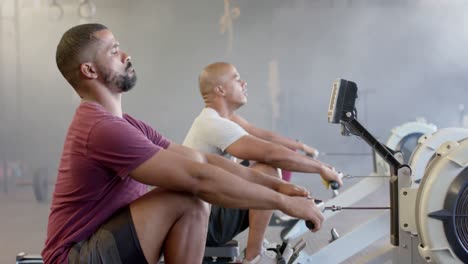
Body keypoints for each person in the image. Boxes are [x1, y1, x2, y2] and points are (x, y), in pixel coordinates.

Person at [42, 24, 325, 264]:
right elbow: (197, 177)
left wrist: (277, 186)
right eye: (114, 52)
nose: (126, 55)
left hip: (101, 243)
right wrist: (284, 203)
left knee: (192, 191)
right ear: (90, 71)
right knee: (188, 196)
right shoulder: (101, 128)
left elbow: (202, 160)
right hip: (75, 257)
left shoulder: (125, 123)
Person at [183, 62, 343, 264]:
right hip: (203, 223)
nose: (244, 82)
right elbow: (270, 153)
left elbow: (263, 137)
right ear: (220, 89)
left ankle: (255, 249)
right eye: (236, 77)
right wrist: (320, 168)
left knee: (261, 169)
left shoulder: (220, 119)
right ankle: (254, 256)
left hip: (201, 216)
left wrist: (301, 146)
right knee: (267, 169)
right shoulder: (214, 124)